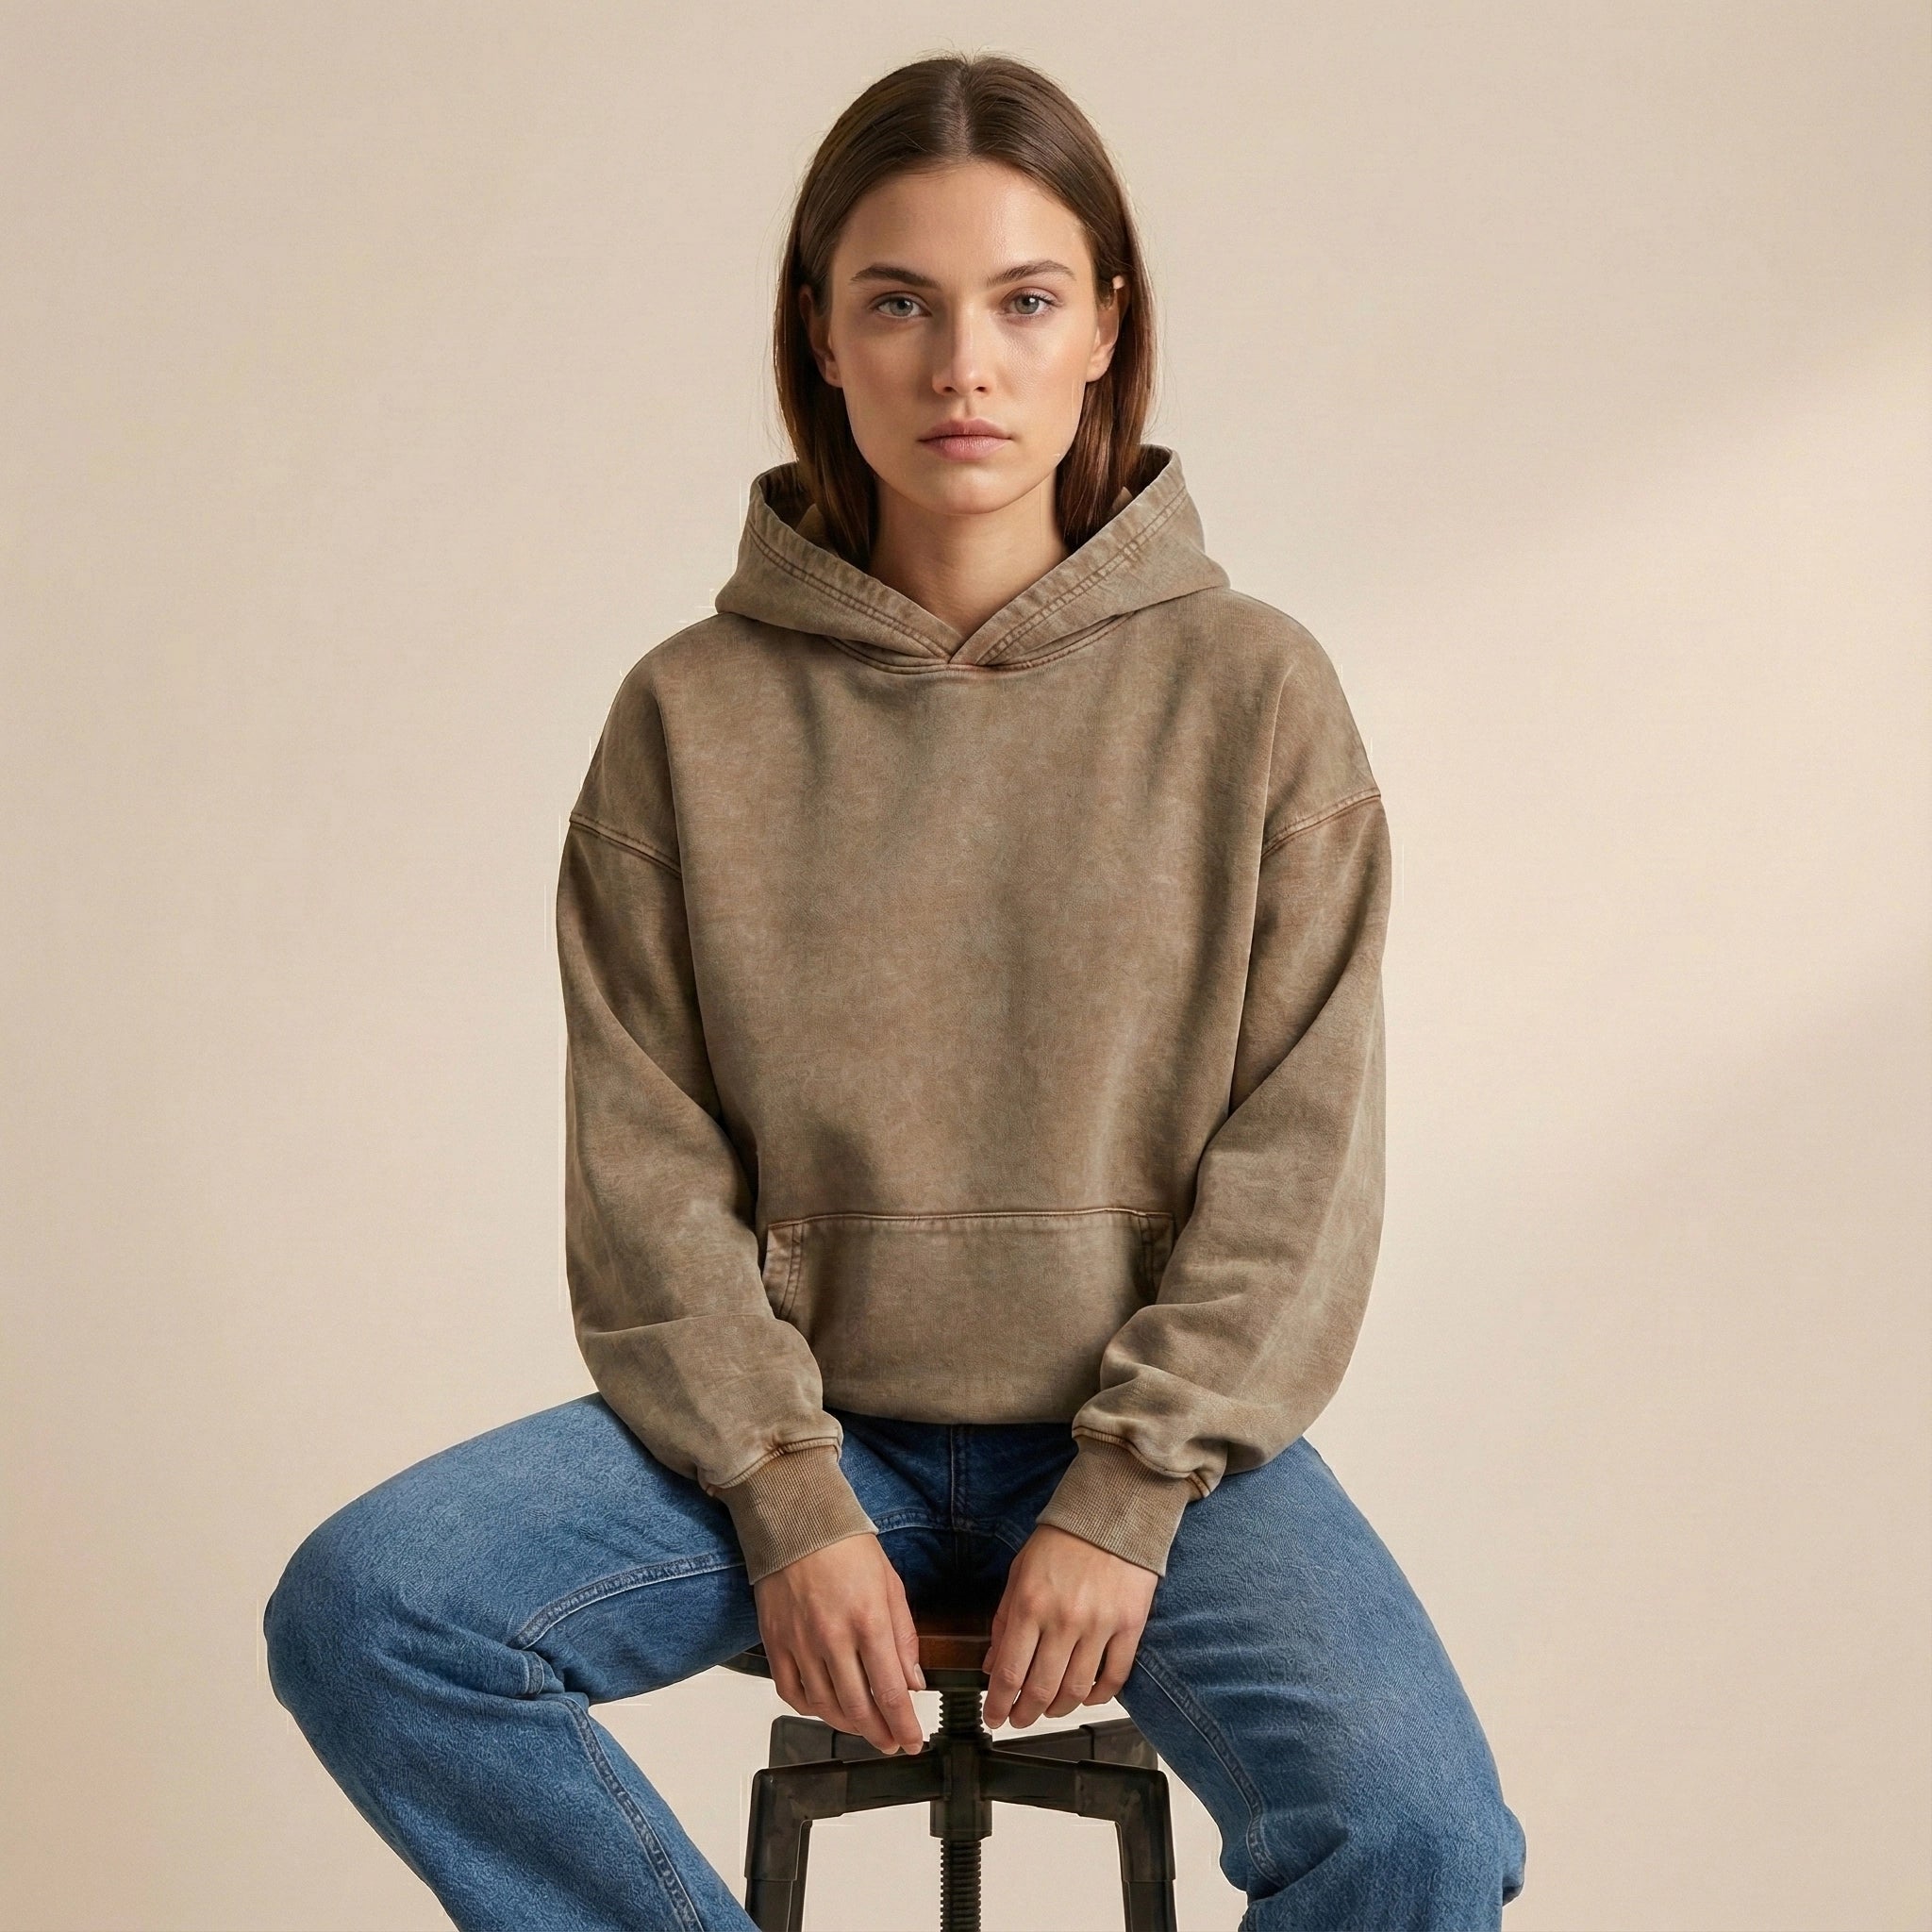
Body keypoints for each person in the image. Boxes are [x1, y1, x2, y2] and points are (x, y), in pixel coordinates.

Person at [263, 50, 1528, 1931]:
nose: (963, 366)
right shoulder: (688, 714)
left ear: (1106, 327)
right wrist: (784, 1487)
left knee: (1418, 1831)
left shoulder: (1255, 695)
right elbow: (645, 1162)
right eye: (899, 304)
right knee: (375, 1611)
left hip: (1151, 1444)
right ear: (823, 337)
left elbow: (1303, 1151)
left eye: (1023, 301)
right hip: (792, 1425)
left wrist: (1123, 1493)